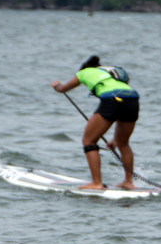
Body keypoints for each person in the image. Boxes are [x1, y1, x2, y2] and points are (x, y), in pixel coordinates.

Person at [50, 55, 139, 190]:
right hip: (132, 99)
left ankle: (97, 183)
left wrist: (56, 85)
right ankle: (128, 182)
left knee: (89, 141)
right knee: (123, 143)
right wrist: (115, 139)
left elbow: (63, 89)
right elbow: (121, 102)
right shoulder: (109, 73)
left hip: (112, 100)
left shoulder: (83, 72)